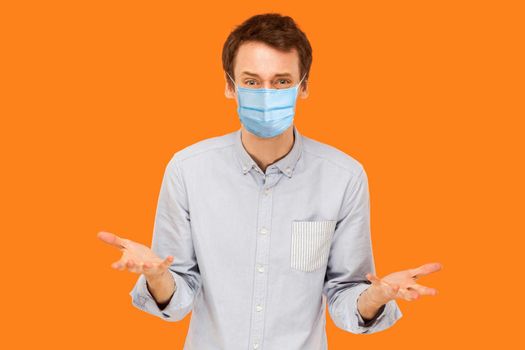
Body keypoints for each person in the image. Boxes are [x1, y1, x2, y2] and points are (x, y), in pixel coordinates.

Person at [98, 13, 442, 350]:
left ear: (303, 86)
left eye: (281, 81)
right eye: (251, 81)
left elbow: (345, 298)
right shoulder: (187, 170)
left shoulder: (344, 177)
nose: (266, 93)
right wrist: (158, 278)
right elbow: (179, 297)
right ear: (230, 87)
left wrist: (377, 296)